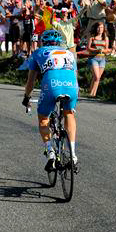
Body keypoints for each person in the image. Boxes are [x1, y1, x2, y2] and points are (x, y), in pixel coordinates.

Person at [22, 30, 79, 172]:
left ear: (43, 42)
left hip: (51, 85)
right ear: (59, 43)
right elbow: (75, 74)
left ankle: (50, 152)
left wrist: (26, 97)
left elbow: (31, 81)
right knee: (69, 114)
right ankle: (73, 155)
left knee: (43, 119)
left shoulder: (38, 52)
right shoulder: (69, 53)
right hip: (71, 85)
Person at [87, 22, 111, 97]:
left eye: (101, 27)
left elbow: (107, 49)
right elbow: (88, 48)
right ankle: (92, 94)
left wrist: (103, 51)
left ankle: (92, 93)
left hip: (102, 59)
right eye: (98, 27)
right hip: (94, 58)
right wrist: (96, 50)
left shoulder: (106, 38)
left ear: (104, 29)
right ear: (96, 28)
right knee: (97, 77)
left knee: (97, 78)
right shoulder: (92, 37)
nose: (100, 29)